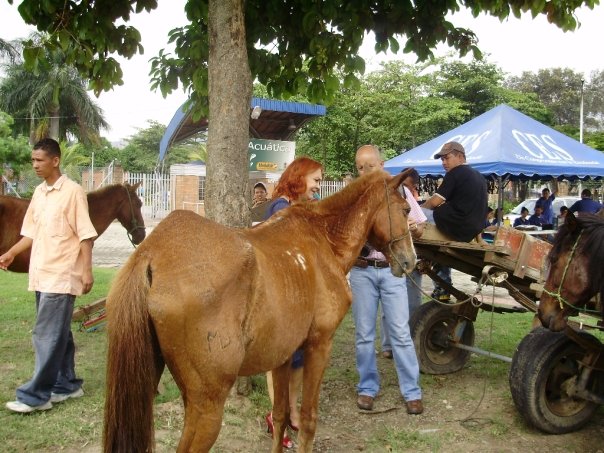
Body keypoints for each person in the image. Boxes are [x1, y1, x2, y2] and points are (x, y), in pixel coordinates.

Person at [0, 138, 97, 413]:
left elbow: (86, 235)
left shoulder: (73, 192)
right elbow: (30, 232)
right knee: (59, 332)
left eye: (39, 160)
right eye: (33, 160)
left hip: (61, 274)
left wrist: (87, 270)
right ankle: (67, 384)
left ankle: (36, 395)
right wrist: (11, 253)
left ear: (55, 160)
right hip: (42, 272)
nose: (35, 165)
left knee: (46, 334)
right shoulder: (40, 193)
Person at [351, 145, 424, 415]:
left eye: (370, 166)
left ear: (381, 164)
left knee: (400, 333)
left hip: (391, 270)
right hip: (362, 271)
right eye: (360, 167)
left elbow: (419, 222)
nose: (365, 171)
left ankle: (412, 392)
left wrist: (414, 228)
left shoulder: (400, 191)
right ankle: (367, 388)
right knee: (364, 335)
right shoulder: (355, 196)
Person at [262, 156, 323, 449]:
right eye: (316, 180)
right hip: (280, 298)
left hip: (295, 297)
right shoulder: (281, 208)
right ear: (300, 178)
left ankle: (291, 409)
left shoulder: (298, 207)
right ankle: (277, 416)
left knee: (297, 358)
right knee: (279, 361)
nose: (319, 187)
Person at [421, 141, 488, 302]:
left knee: (418, 216)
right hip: (471, 230)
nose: (444, 162)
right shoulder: (479, 176)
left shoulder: (455, 173)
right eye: (442, 159)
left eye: (447, 158)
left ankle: (436, 281)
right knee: (440, 249)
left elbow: (434, 202)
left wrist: (418, 209)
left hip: (456, 225)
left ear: (460, 156)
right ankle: (442, 289)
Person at [381, 168, 425, 359]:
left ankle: (411, 342)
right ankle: (389, 345)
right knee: (389, 308)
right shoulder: (384, 195)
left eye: (406, 186)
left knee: (413, 302)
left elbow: (421, 226)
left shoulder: (406, 195)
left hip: (408, 255)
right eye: (401, 185)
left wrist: (415, 228)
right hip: (389, 260)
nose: (403, 188)